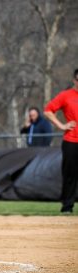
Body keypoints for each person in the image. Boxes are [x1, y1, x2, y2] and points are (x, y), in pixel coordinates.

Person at [44, 68, 78, 214]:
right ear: (74, 80)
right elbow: (48, 111)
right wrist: (62, 125)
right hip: (72, 141)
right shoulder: (66, 95)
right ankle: (67, 206)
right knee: (70, 174)